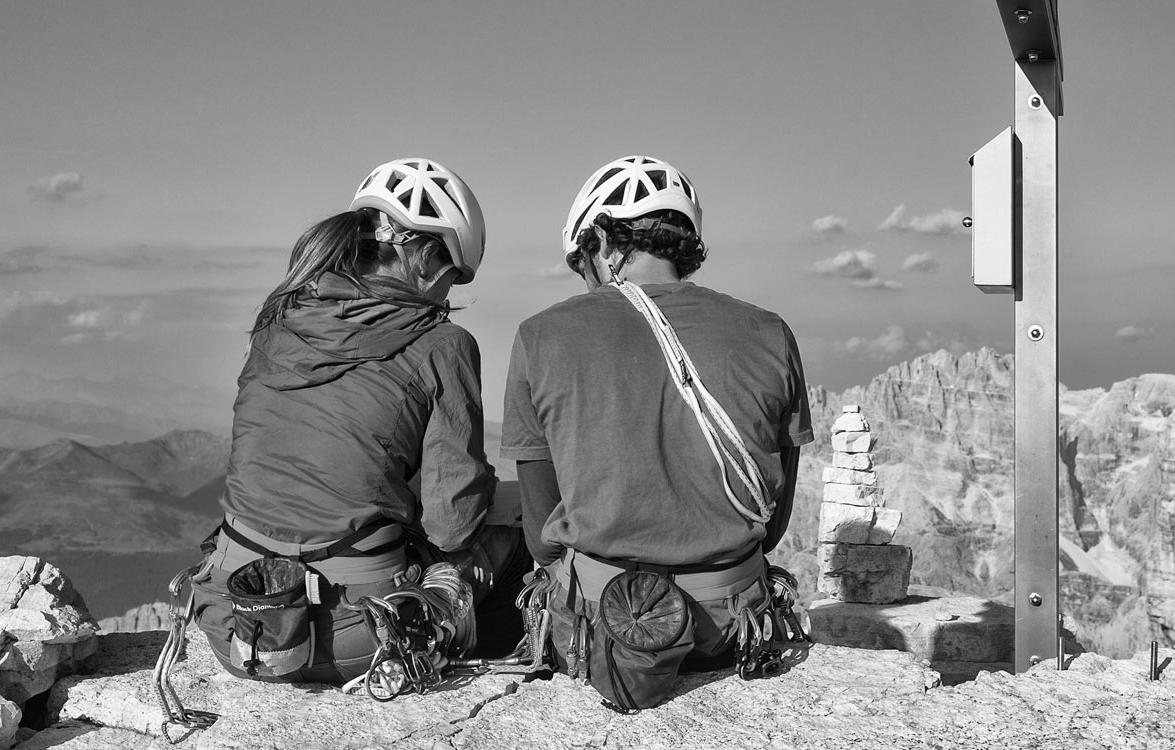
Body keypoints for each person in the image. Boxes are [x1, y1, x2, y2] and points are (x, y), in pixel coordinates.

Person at [187, 157, 523, 685]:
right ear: (429, 259)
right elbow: (452, 524)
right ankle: (493, 680)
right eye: (454, 276)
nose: (449, 295)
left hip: (234, 621)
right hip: (355, 635)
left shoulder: (280, 316)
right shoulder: (443, 344)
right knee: (515, 540)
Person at [502, 155, 813, 711]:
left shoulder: (540, 335)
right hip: (728, 627)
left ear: (600, 239)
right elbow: (773, 521)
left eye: (582, 263)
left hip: (601, 628)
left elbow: (541, 538)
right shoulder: (771, 332)